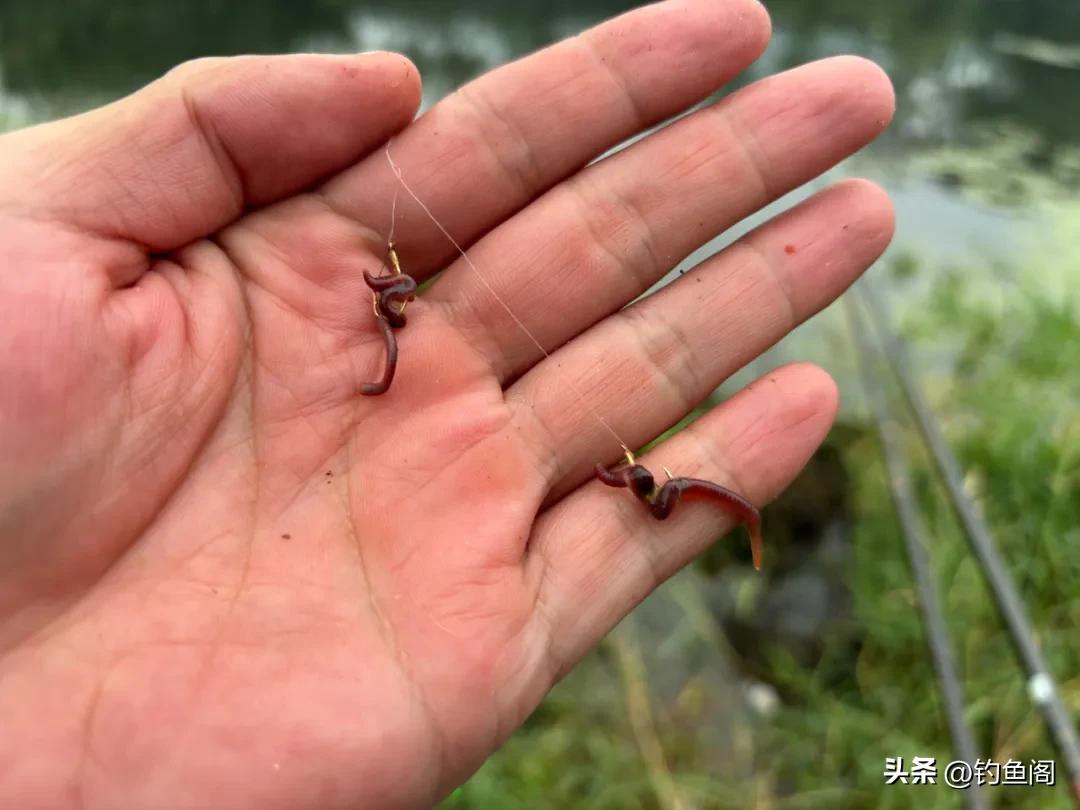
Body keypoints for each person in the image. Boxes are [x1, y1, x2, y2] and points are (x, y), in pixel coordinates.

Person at [0, 1, 894, 807]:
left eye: (390, 291)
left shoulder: (397, 312)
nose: (391, 294)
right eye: (390, 291)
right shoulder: (389, 313)